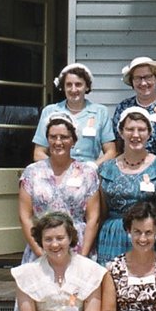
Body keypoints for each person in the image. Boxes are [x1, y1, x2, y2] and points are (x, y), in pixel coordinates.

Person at [19, 113, 100, 264]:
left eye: (64, 137)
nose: (58, 142)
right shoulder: (32, 172)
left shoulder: (88, 174)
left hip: (77, 247)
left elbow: (93, 218)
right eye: (53, 137)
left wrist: (83, 254)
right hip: (42, 245)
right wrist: (40, 252)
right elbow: (25, 216)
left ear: (74, 141)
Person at [96, 107, 156, 264]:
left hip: (147, 236)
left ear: (149, 133)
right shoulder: (106, 168)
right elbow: (101, 211)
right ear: (121, 133)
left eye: (141, 129)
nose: (136, 135)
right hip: (113, 237)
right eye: (130, 129)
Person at [33, 63, 116, 166]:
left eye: (78, 84)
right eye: (68, 85)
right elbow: (38, 153)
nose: (73, 89)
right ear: (63, 87)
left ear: (86, 87)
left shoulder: (100, 112)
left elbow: (111, 152)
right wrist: (60, 167)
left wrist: (93, 167)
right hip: (57, 173)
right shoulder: (50, 112)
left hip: (89, 173)